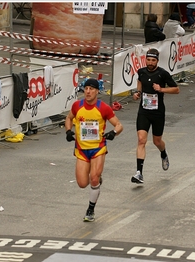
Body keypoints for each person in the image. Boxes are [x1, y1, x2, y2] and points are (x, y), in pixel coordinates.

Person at [65, 78, 123, 222]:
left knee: (94, 178)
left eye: (91, 89)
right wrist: (68, 131)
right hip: (82, 149)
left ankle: (90, 210)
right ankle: (95, 180)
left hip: (98, 148)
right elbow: (68, 118)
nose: (88, 92)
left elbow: (119, 125)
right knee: (82, 183)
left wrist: (113, 133)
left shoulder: (103, 108)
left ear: (97, 91)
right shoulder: (77, 106)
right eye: (86, 89)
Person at [131, 48, 180, 184]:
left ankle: (163, 154)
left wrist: (161, 89)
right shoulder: (141, 72)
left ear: (157, 61)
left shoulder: (163, 74)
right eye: (148, 60)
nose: (150, 63)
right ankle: (139, 173)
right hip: (144, 111)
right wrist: (137, 93)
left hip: (158, 112)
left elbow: (176, 89)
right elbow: (140, 82)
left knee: (157, 141)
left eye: (153, 60)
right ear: (145, 59)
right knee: (141, 140)